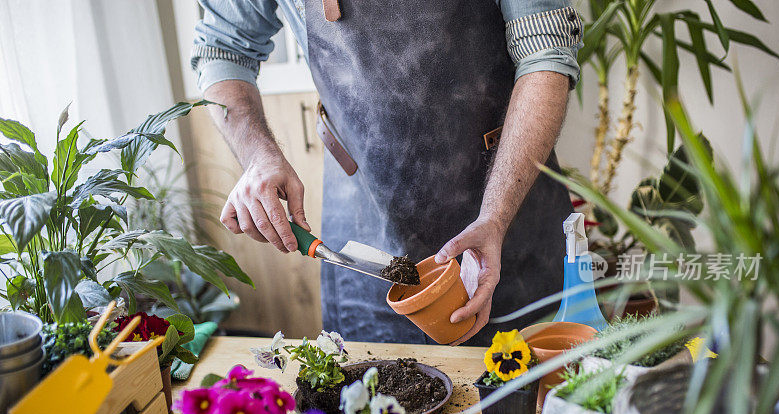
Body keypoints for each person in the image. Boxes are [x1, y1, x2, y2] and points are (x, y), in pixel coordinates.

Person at [192, 0, 581, 345]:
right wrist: (258, 155)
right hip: (363, 216)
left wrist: (494, 217)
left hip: (506, 213)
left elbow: (545, 55)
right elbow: (222, 49)